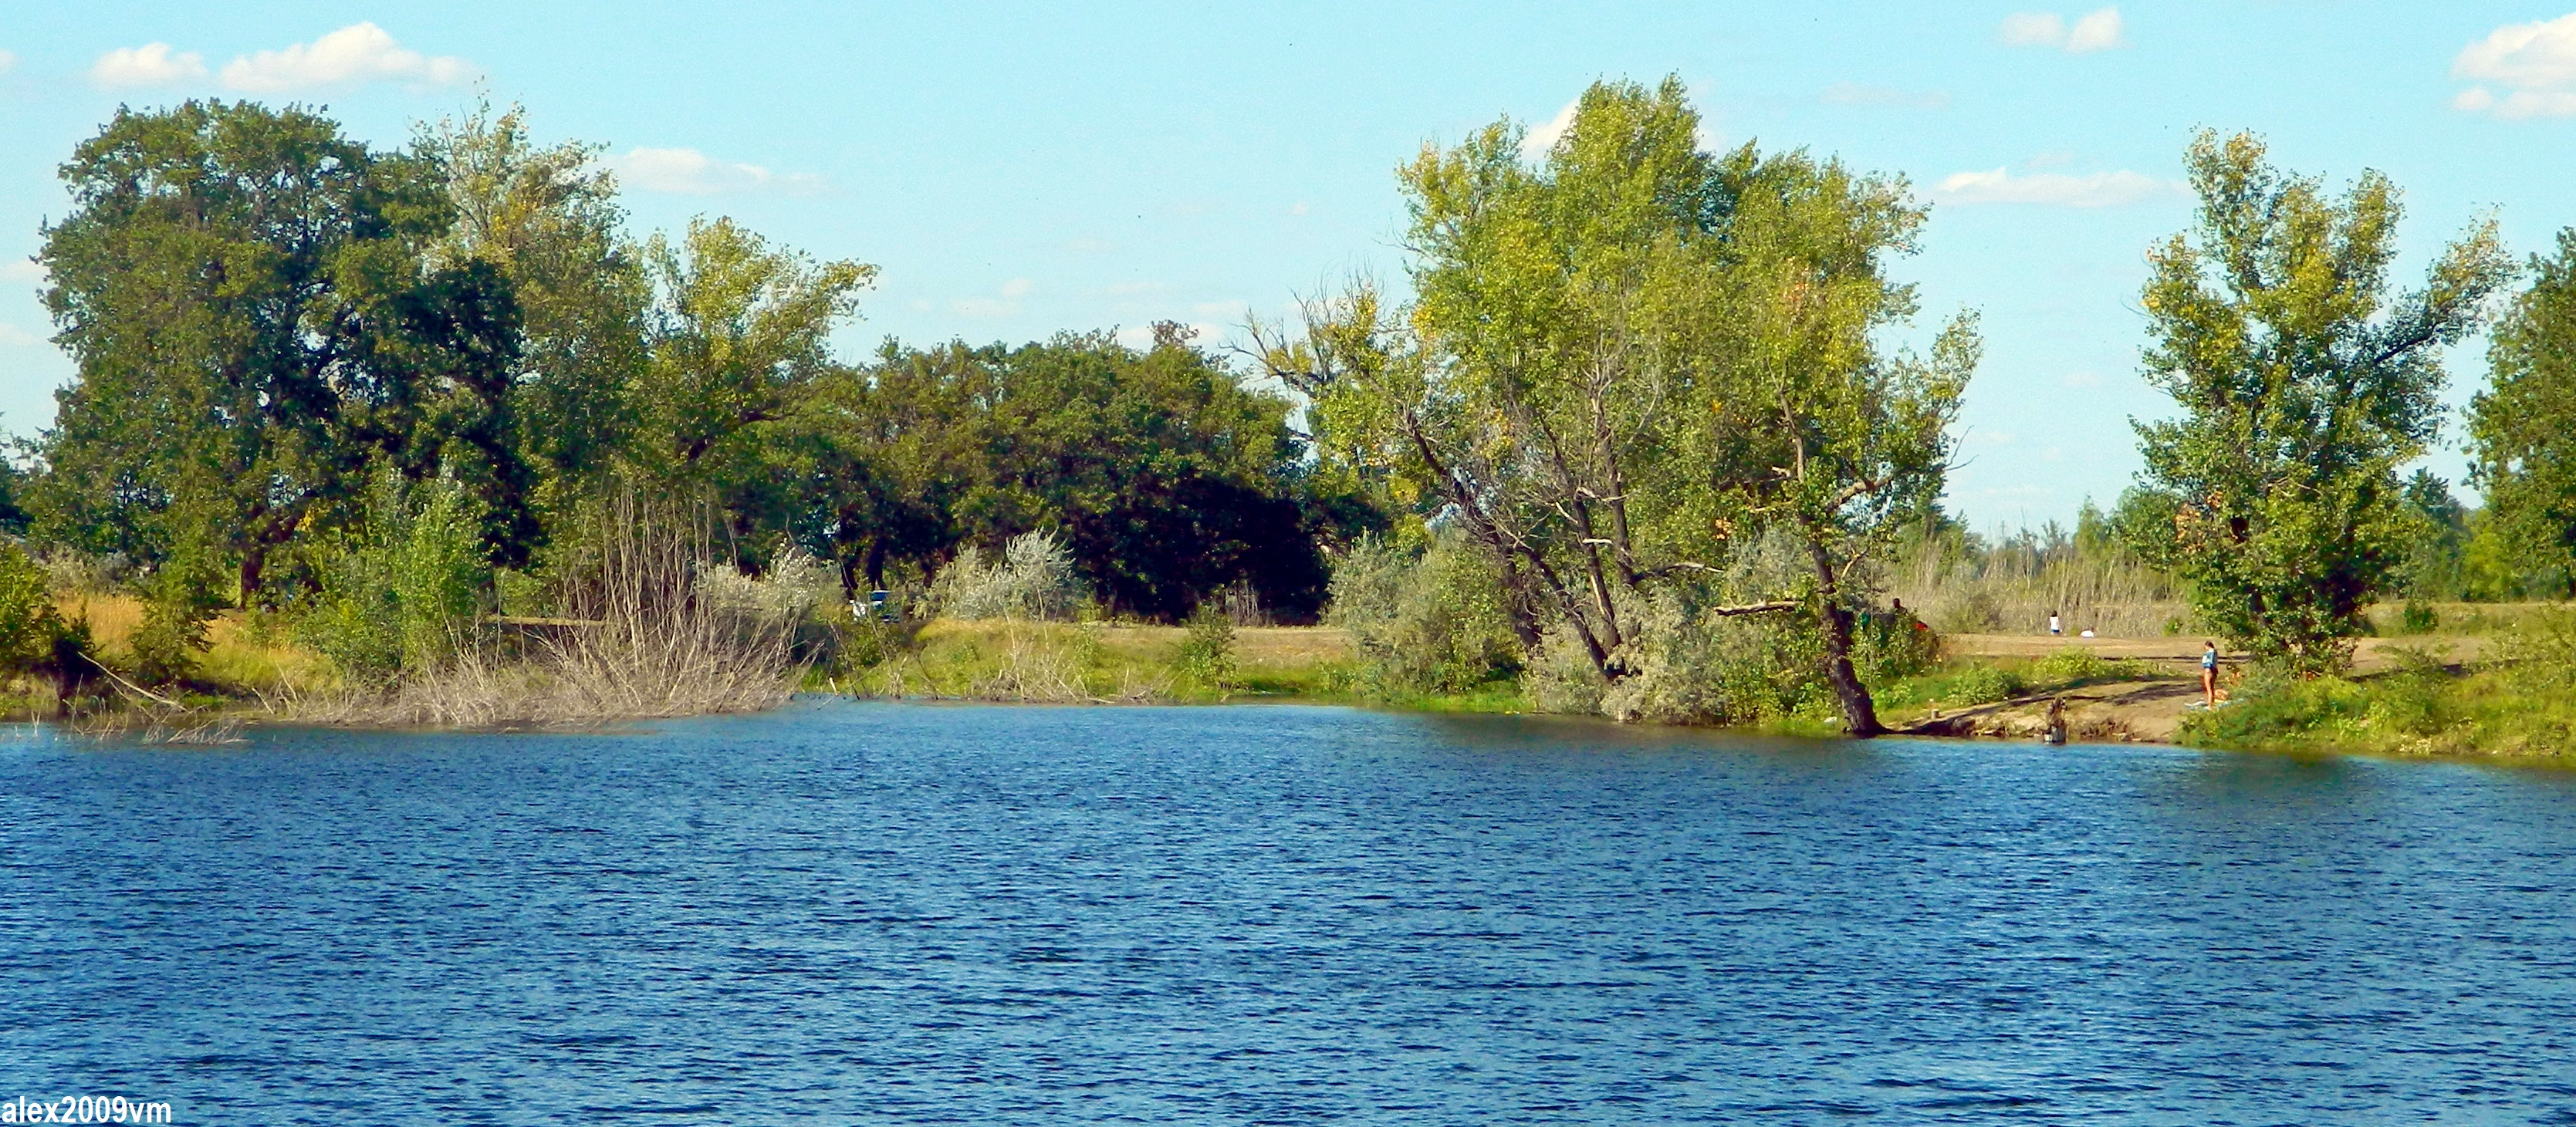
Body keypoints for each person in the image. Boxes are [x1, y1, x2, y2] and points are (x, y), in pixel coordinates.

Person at [2201, 640, 2219, 709]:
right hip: (2213, 670)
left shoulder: (2211, 652)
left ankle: (2210, 705)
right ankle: (2212, 703)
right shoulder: (2214, 652)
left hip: (2209, 671)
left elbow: (2210, 661)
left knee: (2209, 689)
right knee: (2211, 688)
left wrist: (2208, 668)